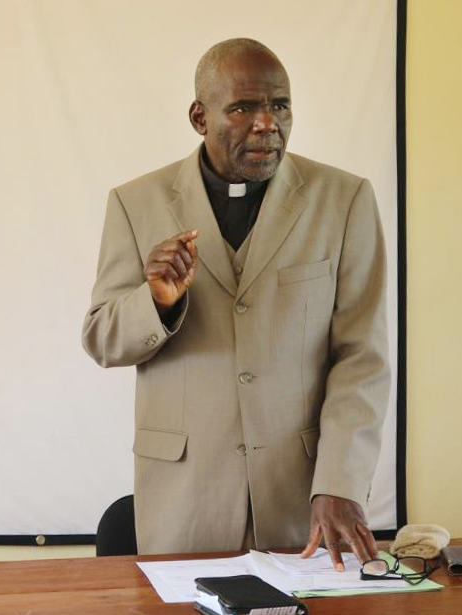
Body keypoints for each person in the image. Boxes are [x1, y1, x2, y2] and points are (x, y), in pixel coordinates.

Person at [82, 38, 389, 569]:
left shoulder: (344, 200)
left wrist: (340, 481)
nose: (267, 123)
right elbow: (103, 340)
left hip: (304, 502)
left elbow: (363, 357)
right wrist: (155, 301)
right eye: (244, 107)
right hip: (184, 502)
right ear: (200, 117)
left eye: (280, 105)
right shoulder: (135, 203)